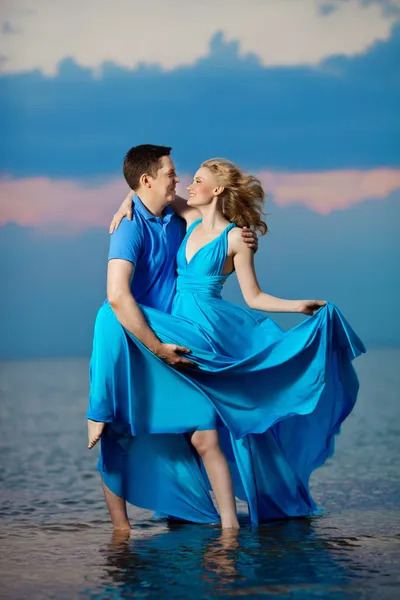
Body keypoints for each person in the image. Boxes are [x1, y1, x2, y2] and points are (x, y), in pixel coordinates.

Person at [87, 145, 365, 530]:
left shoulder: (227, 234)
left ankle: (229, 526)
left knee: (215, 423)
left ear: (217, 190)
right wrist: (125, 202)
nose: (185, 182)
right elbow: (145, 187)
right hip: (169, 325)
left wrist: (298, 306)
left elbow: (254, 296)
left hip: (200, 327)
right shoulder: (182, 218)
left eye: (197, 180)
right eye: (181, 176)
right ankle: (202, 521)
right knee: (194, 427)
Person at [87, 144, 259, 531]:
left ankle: (219, 526)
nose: (178, 180)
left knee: (202, 432)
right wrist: (129, 199)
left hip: (175, 335)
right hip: (138, 340)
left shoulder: (181, 218)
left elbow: (211, 219)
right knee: (120, 433)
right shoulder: (129, 227)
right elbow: (116, 296)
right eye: (171, 174)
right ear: (150, 180)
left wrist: (129, 194)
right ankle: (121, 533)